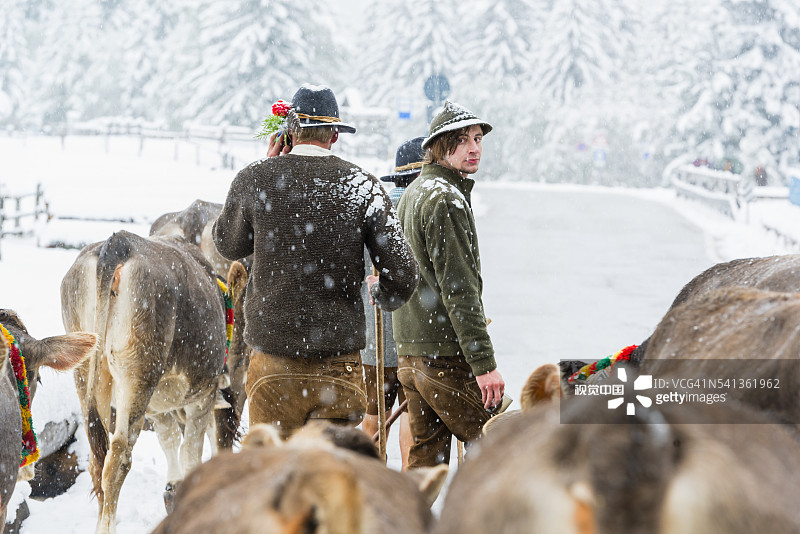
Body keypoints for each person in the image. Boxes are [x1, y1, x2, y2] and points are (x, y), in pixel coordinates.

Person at [213, 84, 419, 439]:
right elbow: (403, 274)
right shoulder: (362, 185)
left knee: (275, 474)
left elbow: (227, 244)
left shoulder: (256, 177)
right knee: (328, 476)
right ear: (335, 135)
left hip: (271, 363)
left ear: (289, 131)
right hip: (338, 366)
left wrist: (267, 175)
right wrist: (381, 296)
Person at [390, 101, 505, 469]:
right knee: (500, 450)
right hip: (442, 357)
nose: (474, 148)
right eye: (462, 141)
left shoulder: (414, 192)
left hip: (411, 355)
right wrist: (484, 365)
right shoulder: (445, 199)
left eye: (477, 139)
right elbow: (459, 291)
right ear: (440, 146)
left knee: (426, 463)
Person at [361, 136, 425, 469]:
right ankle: (410, 489)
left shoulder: (375, 212)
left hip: (376, 342)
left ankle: (371, 488)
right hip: (415, 341)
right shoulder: (422, 208)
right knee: (412, 421)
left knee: (374, 420)